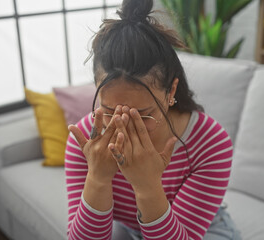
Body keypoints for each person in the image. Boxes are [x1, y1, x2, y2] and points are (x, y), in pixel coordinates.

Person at [65, 0, 241, 239]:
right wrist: (97, 177)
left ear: (171, 93)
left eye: (144, 114)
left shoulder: (210, 142)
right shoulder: (87, 140)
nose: (122, 125)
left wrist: (147, 185)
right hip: (130, 228)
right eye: (109, 110)